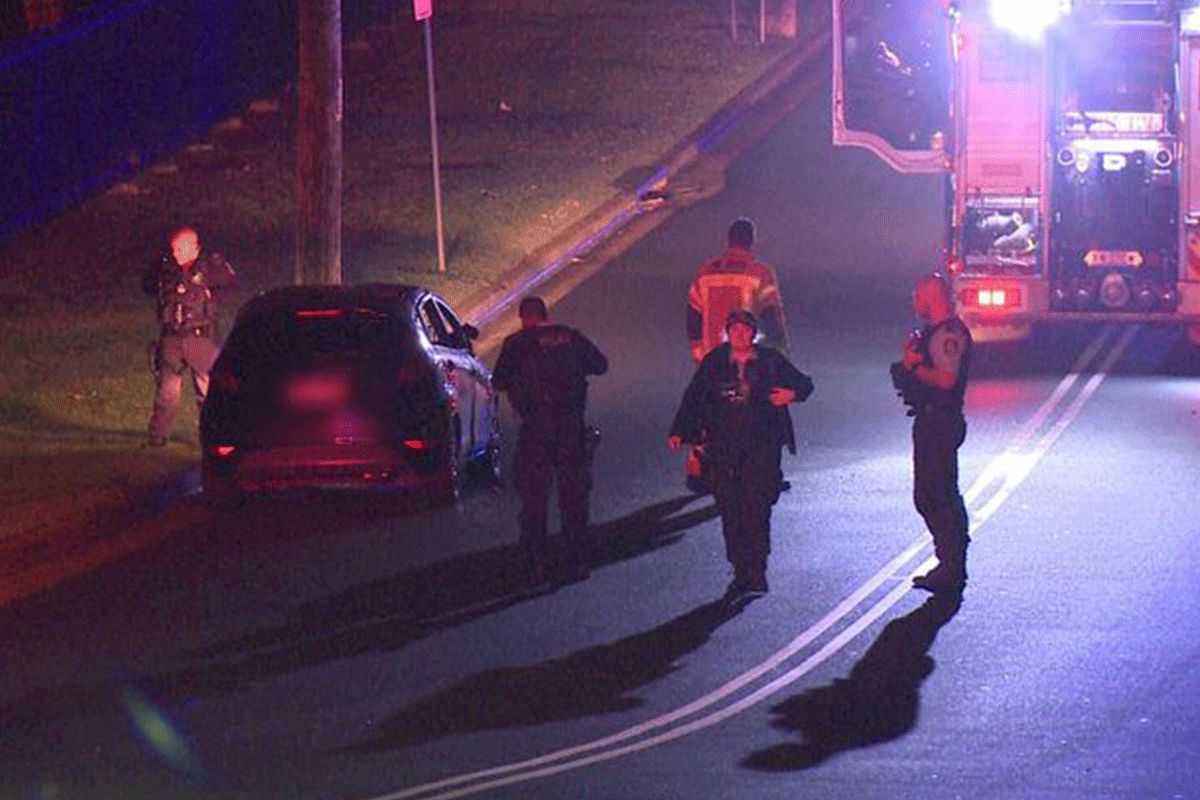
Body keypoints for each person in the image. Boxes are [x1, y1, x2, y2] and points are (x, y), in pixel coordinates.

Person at [669, 309, 813, 602]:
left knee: (757, 510)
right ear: (727, 332)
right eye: (734, 329)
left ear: (753, 333)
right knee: (731, 512)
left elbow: (805, 384)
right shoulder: (715, 363)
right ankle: (740, 568)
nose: (739, 335)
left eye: (745, 330)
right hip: (724, 452)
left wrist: (792, 395)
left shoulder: (771, 361)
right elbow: (694, 397)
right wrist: (680, 431)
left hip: (761, 450)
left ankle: (757, 571)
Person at [492, 296, 609, 585]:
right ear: (546, 315)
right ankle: (577, 559)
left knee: (534, 500)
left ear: (523, 317)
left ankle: (536, 562)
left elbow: (498, 381)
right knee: (574, 498)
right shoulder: (571, 337)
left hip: (535, 430)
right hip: (571, 427)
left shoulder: (516, 344)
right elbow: (600, 365)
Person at [684, 217, 789, 492]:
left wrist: (697, 348)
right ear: (752, 242)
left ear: (728, 241)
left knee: (708, 411)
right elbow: (770, 316)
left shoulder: (706, 271)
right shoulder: (759, 272)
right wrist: (778, 353)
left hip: (710, 357)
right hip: (746, 357)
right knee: (759, 414)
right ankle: (764, 473)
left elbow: (692, 312)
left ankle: (697, 468)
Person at [890, 273, 973, 595]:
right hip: (930, 420)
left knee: (936, 496)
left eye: (917, 295)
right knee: (933, 495)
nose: (914, 302)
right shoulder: (932, 333)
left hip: (940, 422)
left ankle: (952, 565)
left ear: (931, 296)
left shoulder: (948, 335)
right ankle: (950, 562)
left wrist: (913, 367)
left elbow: (946, 380)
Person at [140, 227, 236, 447]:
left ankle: (214, 434)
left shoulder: (210, 266)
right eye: (173, 249)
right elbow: (147, 285)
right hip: (171, 337)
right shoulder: (166, 268)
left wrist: (211, 271)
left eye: (180, 249)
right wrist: (160, 266)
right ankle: (157, 435)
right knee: (167, 390)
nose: (176, 254)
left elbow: (230, 280)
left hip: (200, 337)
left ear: (195, 247)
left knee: (208, 389)